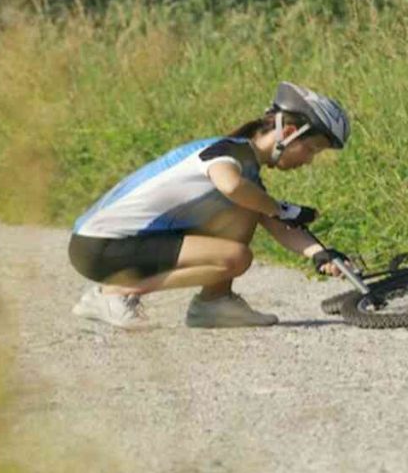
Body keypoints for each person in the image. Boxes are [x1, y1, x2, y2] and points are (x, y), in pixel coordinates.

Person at [68, 82, 352, 329]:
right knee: (236, 257)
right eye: (312, 149)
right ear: (288, 132)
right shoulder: (227, 152)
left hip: (123, 243)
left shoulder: (248, 168)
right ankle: (115, 293)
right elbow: (231, 186)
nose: (310, 160)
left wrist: (320, 254)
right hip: (99, 246)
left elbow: (274, 221)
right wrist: (278, 207)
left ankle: (214, 303)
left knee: (248, 208)